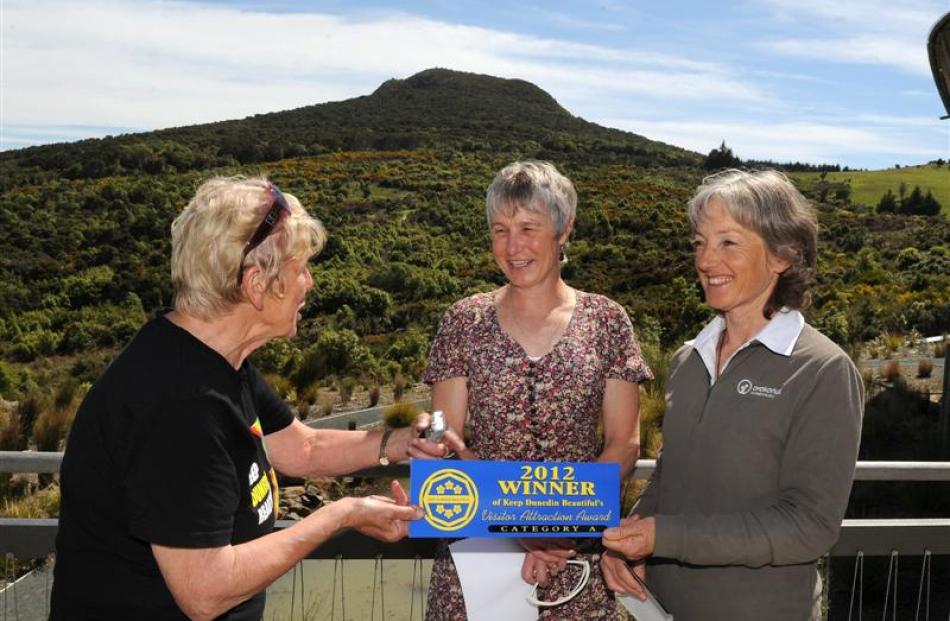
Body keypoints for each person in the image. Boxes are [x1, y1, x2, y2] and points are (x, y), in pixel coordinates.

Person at [51, 177, 444, 620]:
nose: (310, 283)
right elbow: (204, 591)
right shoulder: (179, 403)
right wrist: (342, 515)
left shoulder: (219, 361)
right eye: (301, 269)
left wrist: (396, 443)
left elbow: (302, 447)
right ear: (256, 283)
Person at [600, 169, 864, 621]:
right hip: (659, 609)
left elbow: (809, 526)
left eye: (728, 242)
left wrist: (664, 536)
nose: (706, 260)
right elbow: (669, 474)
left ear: (783, 256)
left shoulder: (823, 370)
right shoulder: (688, 360)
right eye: (699, 242)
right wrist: (628, 541)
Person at [424, 160, 653, 620]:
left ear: (564, 229)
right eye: (500, 230)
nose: (512, 247)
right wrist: (517, 526)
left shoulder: (607, 321)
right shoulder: (462, 321)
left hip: (578, 562)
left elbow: (623, 442)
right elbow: (445, 437)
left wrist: (560, 529)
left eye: (529, 227)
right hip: (479, 559)